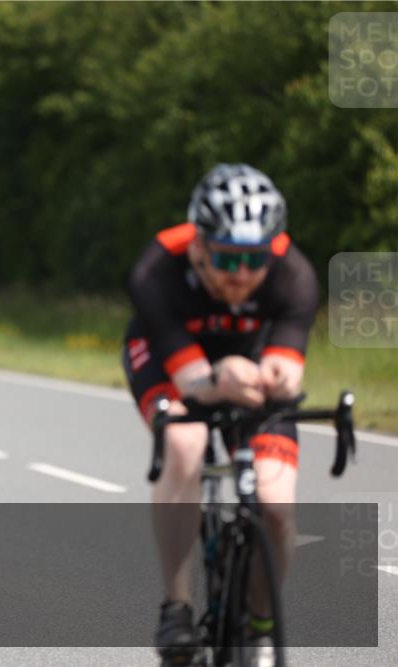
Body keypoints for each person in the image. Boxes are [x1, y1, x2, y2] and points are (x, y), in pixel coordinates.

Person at [123, 164, 318, 667]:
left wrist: (272, 378)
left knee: (275, 505)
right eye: (228, 258)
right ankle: (177, 607)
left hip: (247, 356)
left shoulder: (294, 274)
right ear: (198, 248)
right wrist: (216, 378)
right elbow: (193, 383)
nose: (242, 273)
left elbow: (287, 368)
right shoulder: (155, 270)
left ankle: (258, 624)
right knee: (186, 444)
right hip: (171, 356)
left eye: (255, 259)